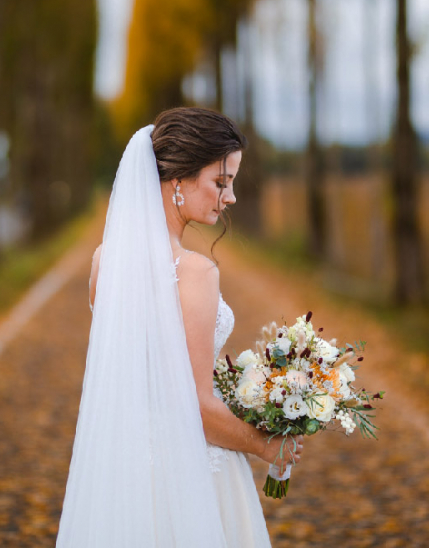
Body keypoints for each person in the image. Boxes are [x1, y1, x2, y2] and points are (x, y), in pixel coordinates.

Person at [56, 107, 302, 547]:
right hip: (190, 480)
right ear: (177, 182)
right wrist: (266, 445)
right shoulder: (194, 273)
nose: (229, 198)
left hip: (123, 478)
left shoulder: (102, 262)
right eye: (220, 183)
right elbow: (195, 408)